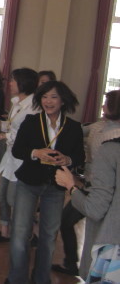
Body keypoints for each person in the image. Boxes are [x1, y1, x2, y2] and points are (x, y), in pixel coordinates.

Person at [7, 80, 85, 284]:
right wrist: (35, 152)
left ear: (63, 101)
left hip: (55, 187)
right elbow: (17, 150)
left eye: (53, 97)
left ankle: (41, 279)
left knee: (49, 237)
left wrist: (67, 159)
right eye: (44, 97)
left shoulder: (73, 127)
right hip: (28, 182)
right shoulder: (31, 122)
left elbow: (79, 156)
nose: (48, 101)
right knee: (20, 233)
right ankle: (17, 278)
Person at [52, 89, 120, 276]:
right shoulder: (100, 125)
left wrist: (72, 185)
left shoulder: (112, 143)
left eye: (106, 103)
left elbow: (96, 208)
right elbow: (78, 130)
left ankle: (75, 265)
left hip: (96, 192)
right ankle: (71, 263)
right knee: (66, 221)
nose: (103, 106)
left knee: (71, 222)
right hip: (90, 185)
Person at [0, 68, 39, 243]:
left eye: (13, 81)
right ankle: (5, 231)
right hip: (10, 157)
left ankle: (27, 232)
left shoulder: (33, 107)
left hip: (21, 160)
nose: (10, 84)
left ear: (23, 83)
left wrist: (2, 136)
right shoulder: (17, 103)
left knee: (13, 198)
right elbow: (12, 126)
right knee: (2, 196)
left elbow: (25, 135)